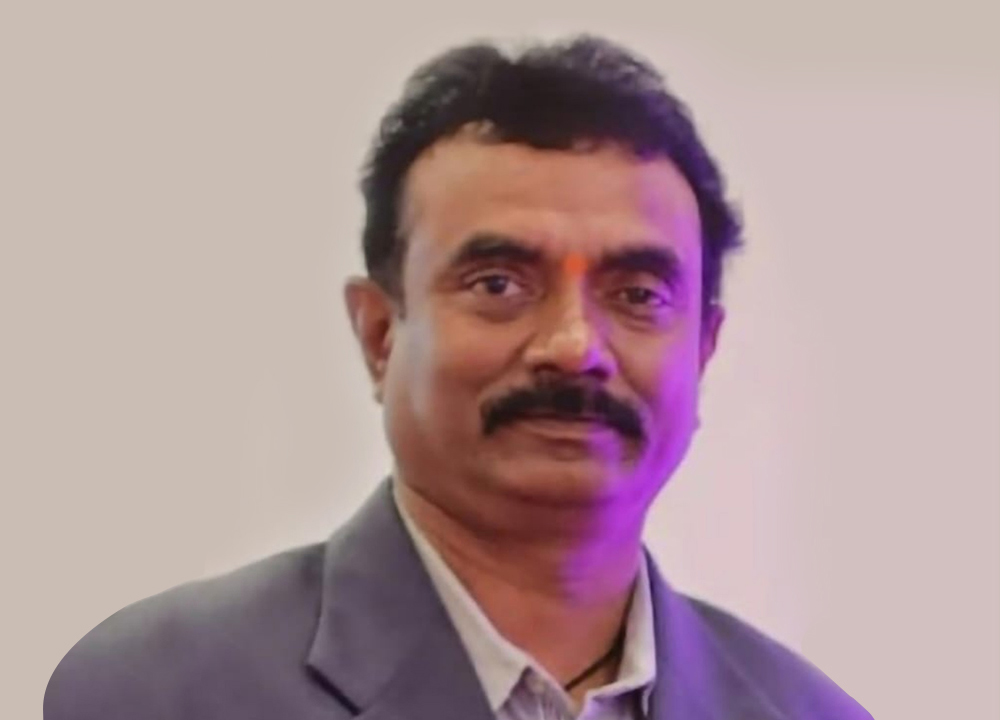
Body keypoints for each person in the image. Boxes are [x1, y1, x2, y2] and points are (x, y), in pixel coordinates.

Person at [44, 35, 872, 719]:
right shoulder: (157, 691)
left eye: (637, 295)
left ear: (703, 352)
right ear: (379, 334)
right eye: (499, 284)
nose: (573, 346)